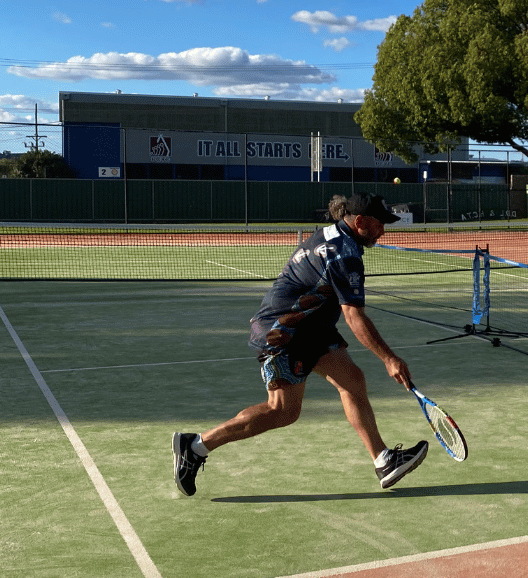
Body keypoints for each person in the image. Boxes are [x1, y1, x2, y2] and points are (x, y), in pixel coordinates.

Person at [172, 192, 428, 496]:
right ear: (359, 221)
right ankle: (196, 446)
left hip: (311, 327)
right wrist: (389, 358)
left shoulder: (333, 233)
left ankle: (383, 460)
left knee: (352, 381)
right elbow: (354, 317)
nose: (383, 230)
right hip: (282, 332)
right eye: (379, 224)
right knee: (282, 411)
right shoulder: (344, 254)